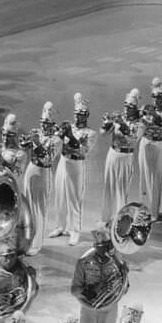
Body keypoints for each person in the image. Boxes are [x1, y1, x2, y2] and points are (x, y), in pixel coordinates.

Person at [70, 226, 127, 323]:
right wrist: (94, 289)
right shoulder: (83, 263)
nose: (107, 250)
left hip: (109, 310)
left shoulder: (118, 264)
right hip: (88, 310)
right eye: (103, 247)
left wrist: (123, 275)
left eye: (108, 246)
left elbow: (124, 289)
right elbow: (74, 289)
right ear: (96, 246)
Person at [51, 93, 94, 246]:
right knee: (60, 195)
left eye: (81, 115)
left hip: (76, 165)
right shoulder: (69, 127)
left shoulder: (90, 133)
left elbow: (83, 151)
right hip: (63, 161)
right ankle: (60, 226)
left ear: (87, 115)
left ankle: (75, 231)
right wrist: (58, 132)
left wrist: (70, 135)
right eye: (76, 114)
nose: (78, 117)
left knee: (74, 198)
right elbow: (57, 142)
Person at [19, 104, 59, 255]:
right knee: (28, 206)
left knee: (39, 209)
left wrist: (36, 143)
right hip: (31, 169)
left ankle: (37, 244)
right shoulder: (36, 133)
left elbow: (49, 158)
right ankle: (27, 239)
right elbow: (25, 148)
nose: (43, 126)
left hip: (44, 172)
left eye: (46, 124)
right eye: (42, 122)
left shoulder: (56, 140)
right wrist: (25, 143)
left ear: (52, 125)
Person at [99, 93, 139, 224]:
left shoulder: (139, 122)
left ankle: (119, 219)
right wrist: (106, 122)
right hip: (113, 154)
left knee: (121, 189)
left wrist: (122, 125)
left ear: (136, 107)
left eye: (131, 106)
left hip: (126, 156)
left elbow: (133, 140)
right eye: (126, 106)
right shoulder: (119, 117)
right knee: (108, 186)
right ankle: (106, 218)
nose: (127, 109)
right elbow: (103, 133)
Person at [138, 78, 162, 220]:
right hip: (145, 143)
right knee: (144, 177)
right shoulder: (145, 109)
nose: (156, 100)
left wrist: (155, 118)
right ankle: (143, 209)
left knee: (155, 178)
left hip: (158, 145)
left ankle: (153, 212)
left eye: (160, 97)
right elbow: (137, 125)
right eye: (154, 96)